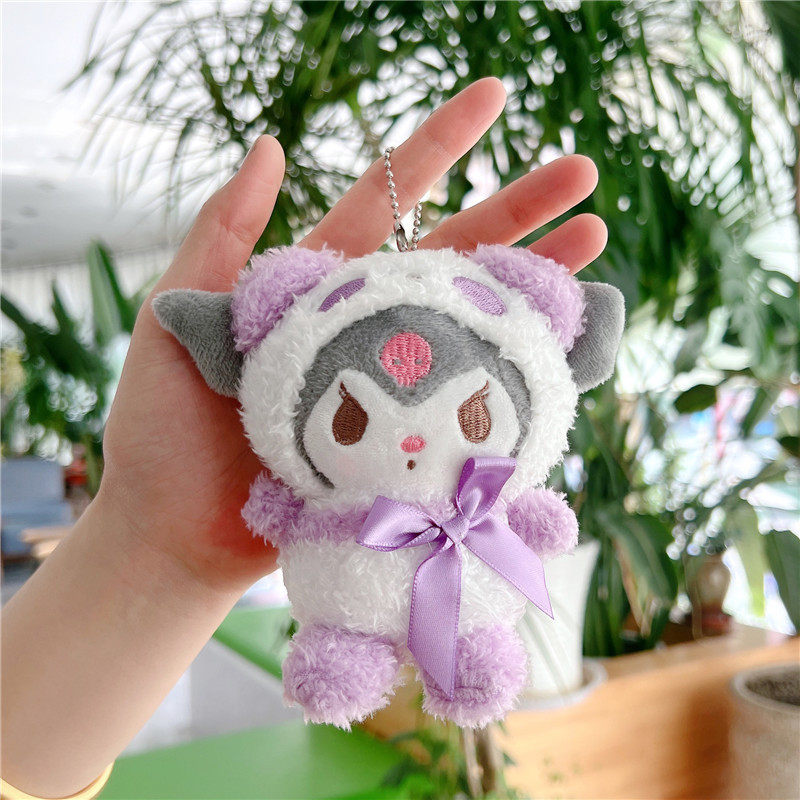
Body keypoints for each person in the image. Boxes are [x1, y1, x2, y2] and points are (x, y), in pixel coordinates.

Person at [0, 77, 607, 798]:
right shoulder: (299, 443)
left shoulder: (490, 495)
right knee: (340, 658)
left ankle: (470, 659)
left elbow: (540, 518)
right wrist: (150, 544)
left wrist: (155, 555)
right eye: (353, 419)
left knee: (480, 659)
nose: (411, 443)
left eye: (471, 416)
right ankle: (344, 657)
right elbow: (271, 508)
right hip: (345, 600)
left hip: (467, 593)